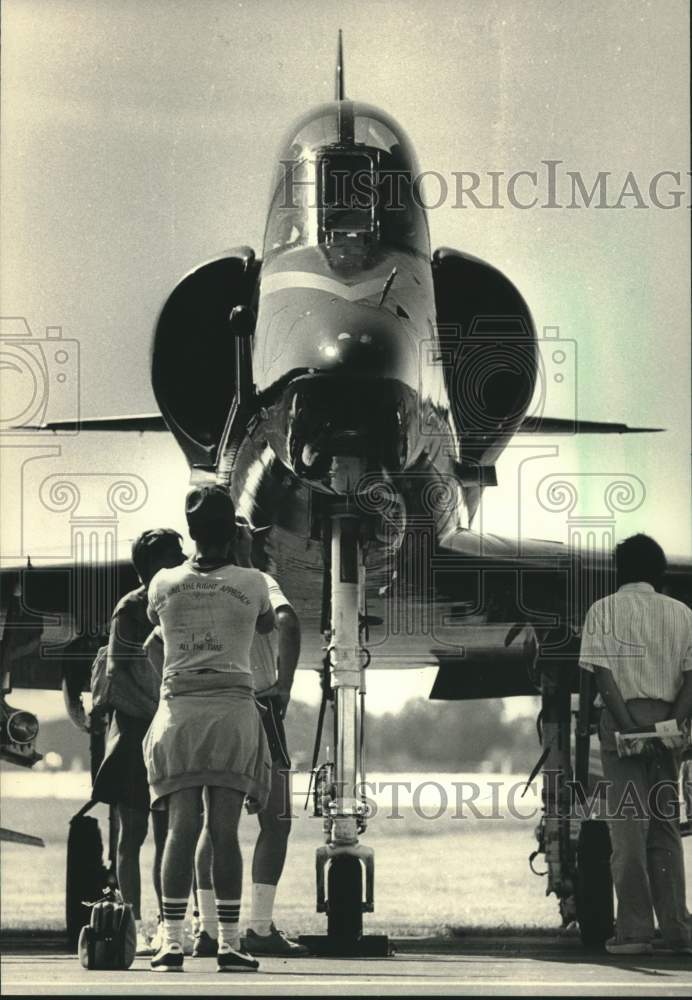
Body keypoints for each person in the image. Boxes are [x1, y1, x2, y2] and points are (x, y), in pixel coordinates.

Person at [143, 485, 274, 973]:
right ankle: (230, 942)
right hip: (233, 713)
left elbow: (153, 641)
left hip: (178, 712)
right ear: (232, 529)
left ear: (191, 530)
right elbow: (264, 627)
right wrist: (242, 556)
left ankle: (172, 941)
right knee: (224, 831)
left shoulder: (162, 583)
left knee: (180, 829)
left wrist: (170, 682)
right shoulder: (254, 581)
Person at [192, 519, 308, 958]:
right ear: (240, 541)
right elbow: (289, 624)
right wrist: (286, 683)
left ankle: (205, 928)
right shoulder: (259, 581)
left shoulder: (192, 584)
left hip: (212, 705)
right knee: (275, 820)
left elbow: (154, 641)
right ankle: (258, 926)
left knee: (211, 823)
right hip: (260, 704)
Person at [579, 533, 692, 956]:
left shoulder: (602, 611)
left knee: (627, 832)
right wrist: (670, 725)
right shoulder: (683, 613)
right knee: (665, 831)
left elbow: (603, 678)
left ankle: (634, 931)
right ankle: (678, 930)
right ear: (659, 572)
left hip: (622, 726)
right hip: (668, 725)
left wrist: (627, 727)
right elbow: (691, 677)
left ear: (619, 570)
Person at [91, 528, 186, 954]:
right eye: (172, 555)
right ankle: (131, 922)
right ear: (150, 566)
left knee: (168, 836)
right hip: (136, 732)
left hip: (164, 727)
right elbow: (116, 677)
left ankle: (168, 924)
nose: (183, 560)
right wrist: (156, 714)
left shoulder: (178, 599)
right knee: (133, 836)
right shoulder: (131, 609)